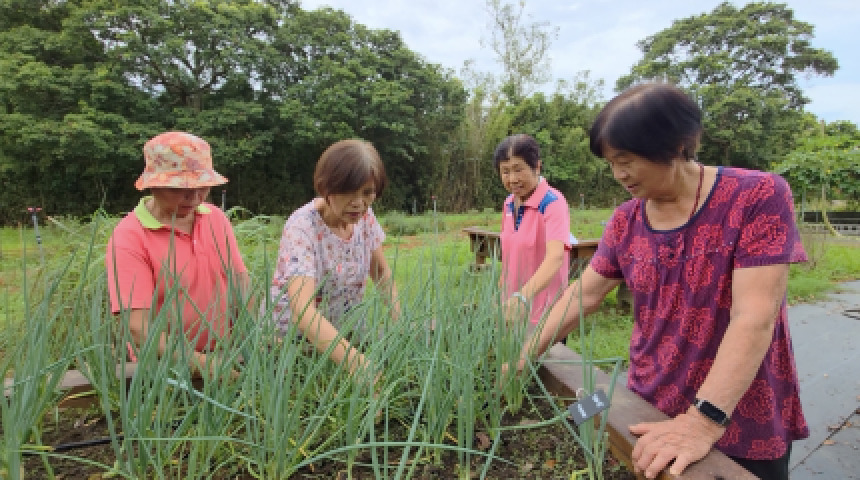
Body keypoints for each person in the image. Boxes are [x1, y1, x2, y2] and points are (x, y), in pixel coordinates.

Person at [510, 83, 808, 480]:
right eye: (611, 163)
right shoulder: (626, 219)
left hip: (733, 412)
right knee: (574, 428)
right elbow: (585, 294)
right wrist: (525, 354)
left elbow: (754, 316)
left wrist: (702, 422)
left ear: (677, 144)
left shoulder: (756, 196)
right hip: (647, 399)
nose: (619, 175)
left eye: (627, 160)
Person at [106, 131, 250, 378]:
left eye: (201, 187)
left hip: (225, 354)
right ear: (153, 185)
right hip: (165, 368)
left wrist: (248, 338)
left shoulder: (215, 218)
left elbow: (240, 282)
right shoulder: (130, 237)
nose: (194, 198)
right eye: (179, 188)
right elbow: (138, 329)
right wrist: (207, 366)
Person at [265, 139, 400, 378]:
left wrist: (400, 324)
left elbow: (381, 272)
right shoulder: (302, 228)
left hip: (344, 335)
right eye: (348, 192)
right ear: (326, 187)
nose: (358, 203)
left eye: (367, 193)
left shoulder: (365, 218)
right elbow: (303, 312)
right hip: (294, 344)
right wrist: (357, 364)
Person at [494, 134, 572, 326]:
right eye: (505, 171)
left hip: (544, 314)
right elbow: (508, 257)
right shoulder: (508, 203)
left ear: (537, 167)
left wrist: (522, 297)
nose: (513, 179)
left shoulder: (552, 202)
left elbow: (555, 257)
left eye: (518, 169)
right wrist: (500, 297)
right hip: (512, 310)